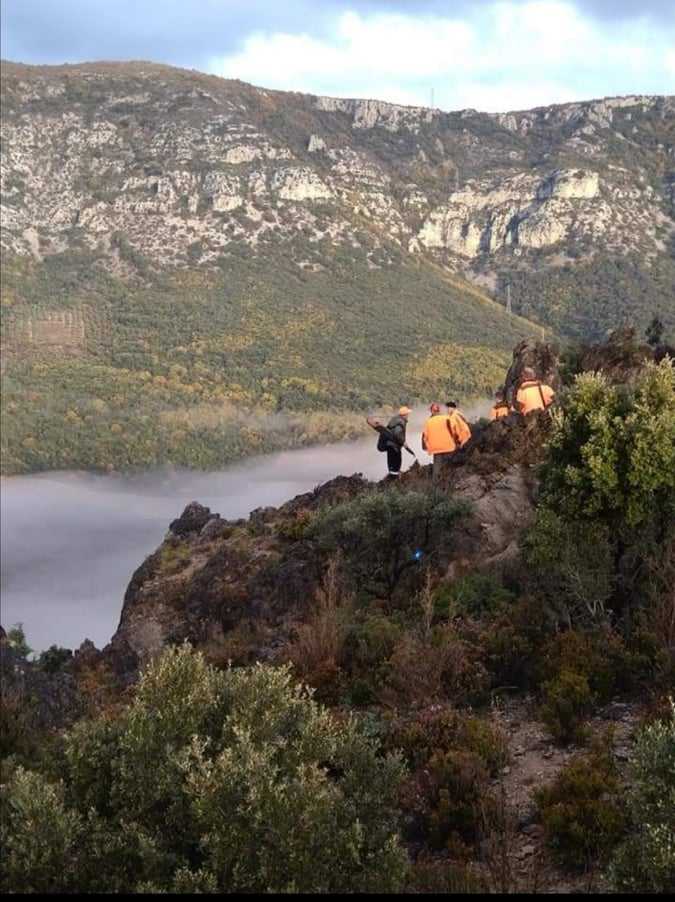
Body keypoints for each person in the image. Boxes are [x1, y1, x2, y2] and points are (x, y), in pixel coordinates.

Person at [367, 405, 415, 477]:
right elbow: (397, 433)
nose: (408, 415)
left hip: (390, 445)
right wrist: (403, 442)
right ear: (405, 415)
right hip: (394, 446)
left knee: (392, 463)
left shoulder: (396, 420)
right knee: (396, 463)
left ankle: (393, 476)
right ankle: (394, 479)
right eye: (408, 414)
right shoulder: (400, 422)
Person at [422, 402, 455, 480]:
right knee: (448, 466)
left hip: (436, 448)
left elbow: (424, 436)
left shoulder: (428, 422)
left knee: (437, 466)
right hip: (448, 446)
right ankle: (449, 483)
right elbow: (453, 429)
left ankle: (435, 484)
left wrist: (425, 447)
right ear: (439, 411)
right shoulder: (446, 418)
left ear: (432, 411)